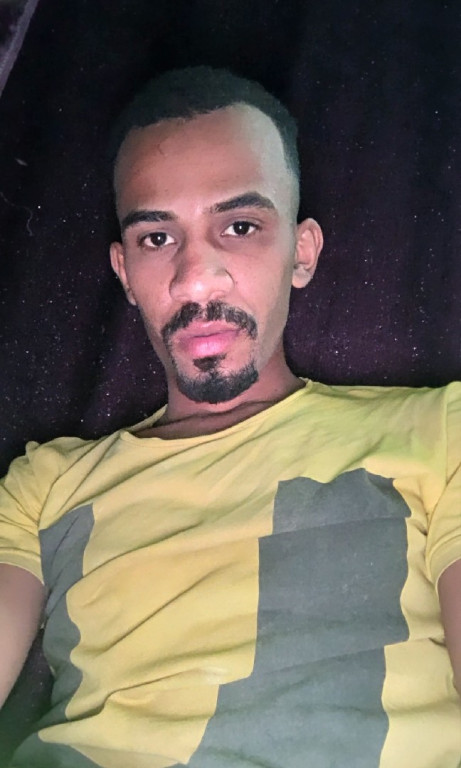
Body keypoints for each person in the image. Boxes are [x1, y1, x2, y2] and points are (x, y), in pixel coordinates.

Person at [0, 66, 459, 768]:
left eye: (239, 226)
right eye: (157, 239)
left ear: (301, 253)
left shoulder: (438, 433)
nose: (194, 279)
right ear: (124, 273)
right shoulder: (43, 486)